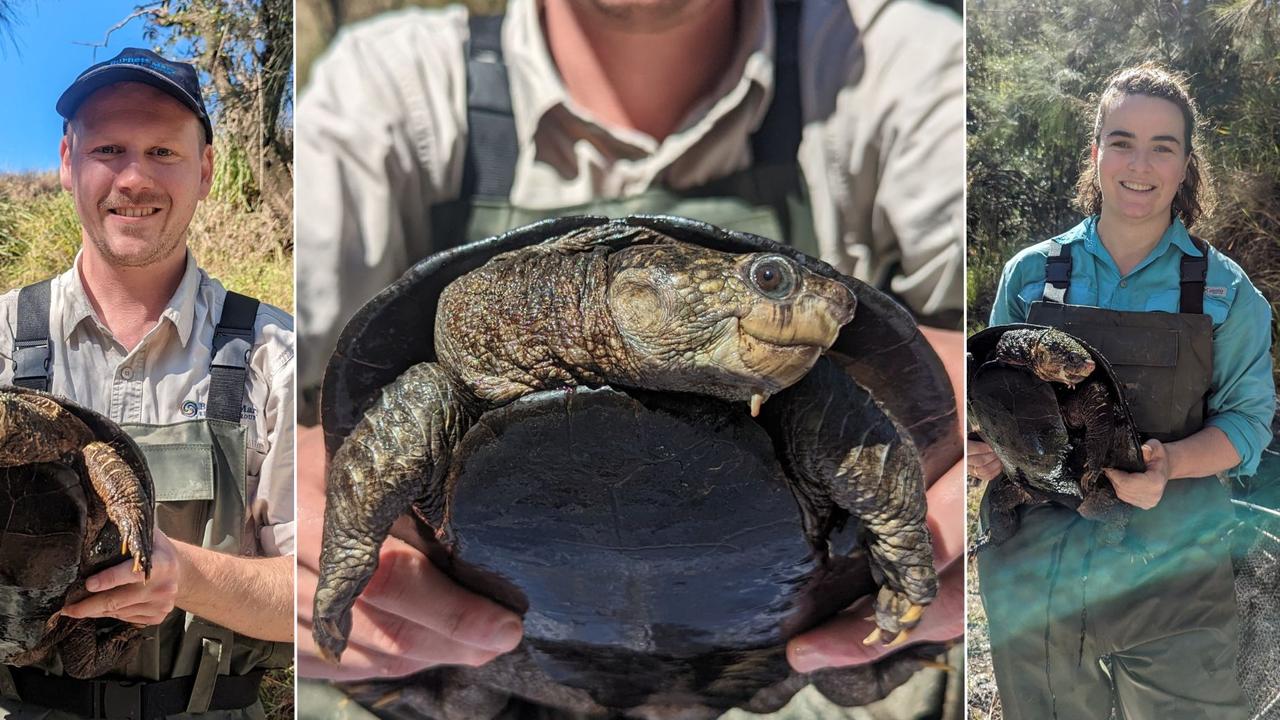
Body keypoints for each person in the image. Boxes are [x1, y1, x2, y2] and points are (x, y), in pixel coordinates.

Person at [295, 0, 966, 715]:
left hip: (773, 652)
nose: (825, 313)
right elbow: (281, 377)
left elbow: (992, 340)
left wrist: (918, 521)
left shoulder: (902, 60)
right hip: (478, 661)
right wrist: (323, 529)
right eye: (767, 281)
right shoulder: (386, 86)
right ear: (636, 285)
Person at [970, 63, 1274, 719]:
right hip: (1039, 564)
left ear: (1187, 163)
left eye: (1163, 145)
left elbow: (1249, 425)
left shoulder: (1227, 293)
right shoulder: (1031, 277)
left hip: (1176, 565)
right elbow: (995, 396)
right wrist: (990, 448)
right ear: (1096, 151)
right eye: (1123, 140)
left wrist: (1171, 466)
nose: (1141, 163)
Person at [0, 48, 295, 718]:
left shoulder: (280, 355)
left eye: (163, 152)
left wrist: (182, 576)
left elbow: (317, 593)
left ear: (207, 170)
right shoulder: (5, 336)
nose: (133, 178)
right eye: (109, 148)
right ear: (68, 162)